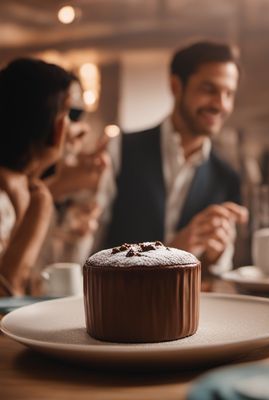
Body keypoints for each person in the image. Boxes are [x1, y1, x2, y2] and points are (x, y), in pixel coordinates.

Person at [106, 40, 248, 274]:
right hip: (118, 304)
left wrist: (216, 255)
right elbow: (87, 253)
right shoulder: (120, 149)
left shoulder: (228, 177)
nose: (220, 104)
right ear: (175, 86)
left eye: (229, 94)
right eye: (209, 89)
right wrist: (172, 252)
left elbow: (220, 270)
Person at [0, 58, 73, 296]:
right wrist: (39, 212)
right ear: (58, 127)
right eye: (69, 113)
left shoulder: (27, 188)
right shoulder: (6, 199)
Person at [35, 77, 114, 272]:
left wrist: (79, 227)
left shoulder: (78, 181)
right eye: (69, 113)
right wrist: (57, 187)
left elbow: (69, 272)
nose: (83, 129)